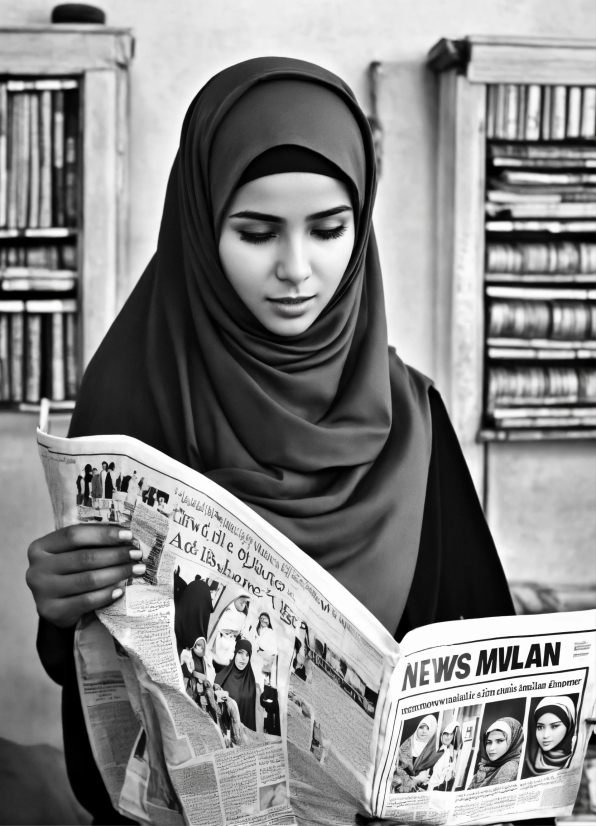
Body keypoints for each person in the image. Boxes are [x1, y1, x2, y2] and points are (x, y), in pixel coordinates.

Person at [25, 57, 515, 824]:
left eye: (329, 229)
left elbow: (482, 660)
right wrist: (60, 611)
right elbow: (100, 709)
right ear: (200, 223)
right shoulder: (129, 400)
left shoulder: (413, 415)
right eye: (255, 232)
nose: (296, 270)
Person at [523, 697, 577, 777]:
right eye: (540, 727)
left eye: (554, 726)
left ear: (569, 726)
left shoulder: (579, 757)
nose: (545, 735)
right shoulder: (526, 761)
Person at [468, 717, 524, 789]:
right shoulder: (486, 767)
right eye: (489, 742)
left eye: (499, 741)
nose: (491, 748)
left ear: (512, 742)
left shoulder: (511, 766)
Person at [392, 715, 442, 793]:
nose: (424, 731)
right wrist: (416, 779)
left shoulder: (430, 748)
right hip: (403, 791)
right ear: (416, 728)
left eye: (427, 728)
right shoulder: (406, 745)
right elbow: (397, 772)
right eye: (421, 727)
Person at [217, 639, 257, 732]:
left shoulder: (250, 681)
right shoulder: (222, 677)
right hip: (224, 733)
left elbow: (251, 717)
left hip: (242, 736)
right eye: (240, 653)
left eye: (247, 655)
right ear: (234, 653)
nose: (244, 658)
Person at [428, 721, 463, 791]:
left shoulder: (450, 751)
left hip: (444, 788)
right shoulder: (438, 751)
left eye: (451, 734)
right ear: (442, 734)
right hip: (433, 787)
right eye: (446, 734)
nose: (448, 737)